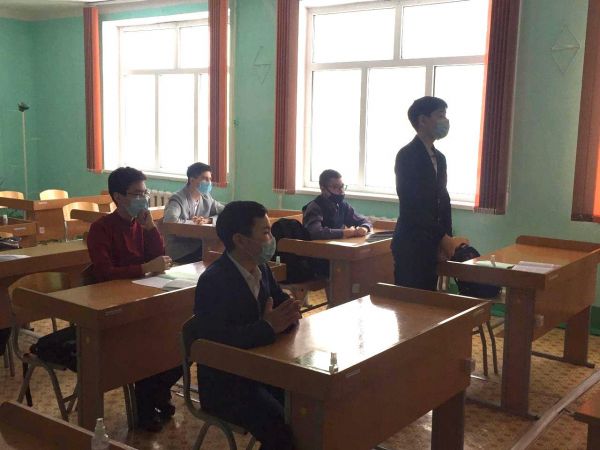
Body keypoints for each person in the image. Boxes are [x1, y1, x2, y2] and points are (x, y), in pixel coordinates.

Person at [193, 201, 301, 450]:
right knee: (280, 427)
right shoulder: (213, 281)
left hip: (262, 369)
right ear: (240, 240)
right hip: (227, 383)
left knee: (307, 408)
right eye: (265, 232)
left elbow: (281, 307)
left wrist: (290, 312)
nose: (271, 239)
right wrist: (267, 327)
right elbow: (215, 343)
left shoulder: (262, 268)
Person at [87, 166, 183, 432]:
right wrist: (144, 268)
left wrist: (151, 228)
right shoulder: (101, 229)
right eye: (137, 194)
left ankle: (157, 392)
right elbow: (104, 273)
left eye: (145, 192)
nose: (144, 198)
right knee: (146, 344)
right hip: (113, 305)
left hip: (143, 297)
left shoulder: (141, 224)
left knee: (181, 337)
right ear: (118, 196)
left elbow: (159, 258)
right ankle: (148, 401)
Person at [391, 96, 468, 291]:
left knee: (429, 300)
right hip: (412, 243)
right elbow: (412, 205)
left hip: (433, 242)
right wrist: (442, 237)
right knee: (410, 302)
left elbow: (443, 200)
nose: (445, 121)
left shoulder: (439, 158)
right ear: (423, 120)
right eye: (440, 115)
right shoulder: (407, 155)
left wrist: (447, 238)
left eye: (445, 115)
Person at [163, 162, 225, 264]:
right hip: (181, 251)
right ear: (192, 180)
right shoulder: (178, 199)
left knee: (223, 250)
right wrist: (195, 223)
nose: (209, 182)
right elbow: (170, 221)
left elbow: (225, 211)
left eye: (210, 179)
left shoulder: (206, 197)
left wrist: (209, 220)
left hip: (200, 246)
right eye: (205, 179)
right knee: (218, 257)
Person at [302, 169, 372, 240]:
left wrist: (365, 227)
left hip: (338, 245)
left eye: (342, 186)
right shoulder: (314, 207)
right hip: (318, 246)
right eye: (335, 187)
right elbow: (316, 233)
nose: (341, 191)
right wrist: (343, 233)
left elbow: (363, 220)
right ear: (323, 189)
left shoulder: (342, 205)